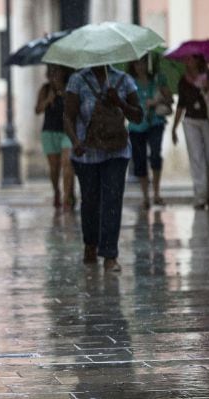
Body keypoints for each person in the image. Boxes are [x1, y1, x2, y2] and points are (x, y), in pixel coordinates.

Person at [64, 65, 143, 273]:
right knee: (90, 201)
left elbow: (138, 115)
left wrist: (119, 102)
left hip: (117, 152)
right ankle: (90, 244)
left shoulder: (123, 79)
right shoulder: (77, 80)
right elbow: (68, 116)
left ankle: (110, 254)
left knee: (112, 200)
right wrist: (74, 141)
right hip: (87, 153)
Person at [171, 54, 209, 210]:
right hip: (190, 121)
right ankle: (200, 196)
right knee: (196, 158)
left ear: (199, 60)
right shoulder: (183, 80)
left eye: (191, 58)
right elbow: (181, 105)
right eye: (187, 58)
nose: (187, 60)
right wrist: (174, 128)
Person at [127, 55, 173, 208]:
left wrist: (157, 100)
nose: (140, 66)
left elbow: (170, 100)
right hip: (136, 125)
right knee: (139, 160)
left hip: (155, 122)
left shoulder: (158, 80)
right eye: (137, 63)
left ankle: (157, 193)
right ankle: (145, 196)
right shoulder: (128, 82)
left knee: (155, 155)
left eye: (143, 63)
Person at [35, 64, 75, 209]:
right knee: (54, 168)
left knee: (67, 163)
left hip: (67, 131)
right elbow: (37, 110)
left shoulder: (70, 88)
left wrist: (63, 94)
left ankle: (67, 196)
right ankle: (56, 191)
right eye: (52, 71)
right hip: (49, 131)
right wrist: (48, 100)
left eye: (57, 71)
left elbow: (74, 107)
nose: (55, 74)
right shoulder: (45, 89)